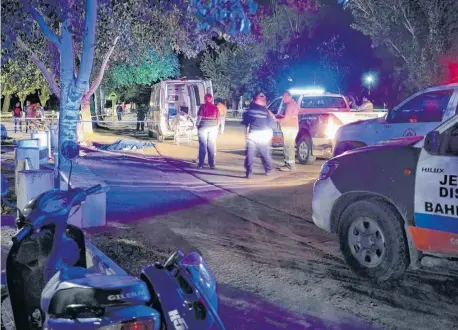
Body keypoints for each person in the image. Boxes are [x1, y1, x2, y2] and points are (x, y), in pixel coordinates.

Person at [241, 92, 275, 179]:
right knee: (264, 154)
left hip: (252, 135)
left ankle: (249, 172)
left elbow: (245, 121)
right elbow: (271, 123)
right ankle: (268, 170)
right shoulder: (266, 111)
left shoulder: (249, 110)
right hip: (263, 135)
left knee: (250, 154)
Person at [277, 90, 299, 171]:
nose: (283, 98)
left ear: (290, 96)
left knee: (289, 146)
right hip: (290, 128)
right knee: (287, 146)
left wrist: (277, 120)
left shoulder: (290, 105)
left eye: (285, 97)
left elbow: (286, 119)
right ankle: (287, 164)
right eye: (283, 96)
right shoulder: (292, 104)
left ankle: (290, 166)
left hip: (290, 128)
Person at [196, 94, 220, 169]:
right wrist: (217, 127)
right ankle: (211, 164)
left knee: (203, 145)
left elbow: (199, 117)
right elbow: (218, 119)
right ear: (211, 99)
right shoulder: (215, 107)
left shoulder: (202, 106)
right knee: (211, 145)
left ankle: (201, 164)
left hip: (203, 127)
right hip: (213, 127)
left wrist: (197, 125)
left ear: (204, 99)